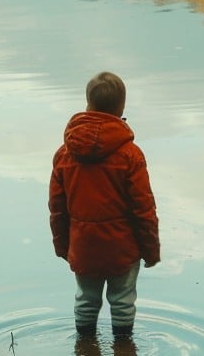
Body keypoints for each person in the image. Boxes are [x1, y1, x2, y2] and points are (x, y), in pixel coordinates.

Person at [48, 71, 160, 340]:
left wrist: (64, 246)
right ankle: (124, 353)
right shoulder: (130, 154)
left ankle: (84, 349)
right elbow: (144, 208)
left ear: (87, 105)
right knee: (122, 302)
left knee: (86, 300)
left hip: (84, 244)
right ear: (121, 108)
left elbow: (57, 208)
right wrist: (151, 249)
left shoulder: (65, 153)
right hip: (123, 247)